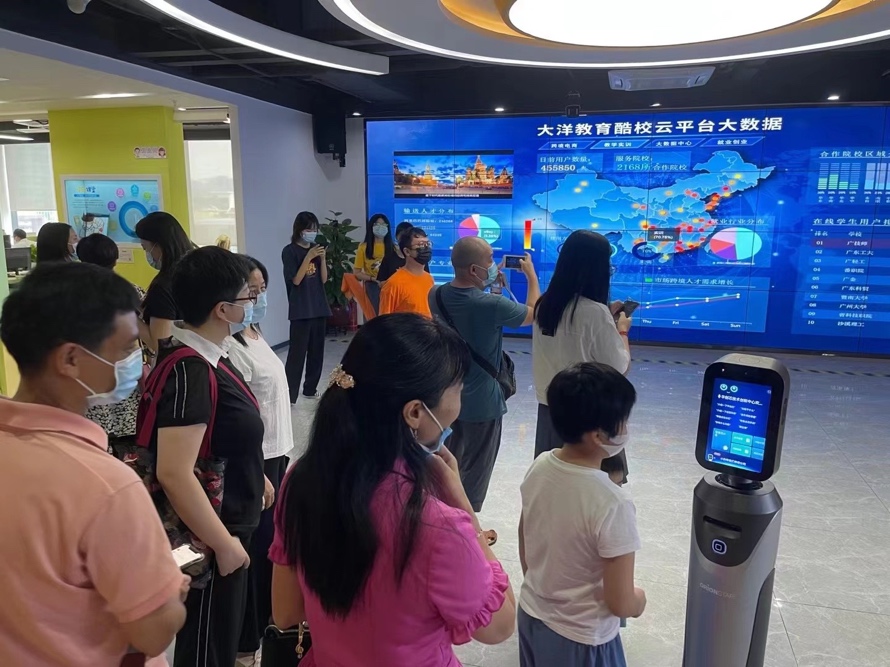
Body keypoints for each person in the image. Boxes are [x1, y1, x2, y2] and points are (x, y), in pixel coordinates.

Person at [270, 314, 516, 666]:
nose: (459, 404)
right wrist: (465, 511)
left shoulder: (301, 478)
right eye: (459, 390)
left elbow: (286, 611)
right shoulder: (439, 524)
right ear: (415, 412)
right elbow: (499, 626)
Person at [0, 262, 188, 665]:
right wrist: (171, 595)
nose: (137, 363)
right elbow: (153, 632)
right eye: (125, 349)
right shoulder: (104, 485)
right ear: (70, 359)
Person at [148, 247, 266, 667]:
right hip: (212, 535)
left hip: (228, 525)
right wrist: (223, 544)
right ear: (222, 309)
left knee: (222, 639)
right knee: (206, 649)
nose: (254, 303)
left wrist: (259, 475)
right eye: (249, 296)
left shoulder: (215, 356)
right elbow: (174, 472)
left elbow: (224, 433)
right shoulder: (191, 370)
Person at [518, 362, 645, 667]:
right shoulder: (612, 503)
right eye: (623, 421)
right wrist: (638, 600)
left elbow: (525, 537)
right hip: (583, 638)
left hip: (531, 615)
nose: (626, 429)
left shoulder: (540, 465)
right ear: (598, 435)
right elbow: (620, 602)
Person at [429, 236, 539, 511]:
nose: (495, 264)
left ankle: (440, 515)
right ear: (474, 270)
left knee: (445, 466)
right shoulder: (491, 306)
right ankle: (468, 524)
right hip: (482, 404)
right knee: (474, 476)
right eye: (490, 260)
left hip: (446, 399)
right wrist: (531, 276)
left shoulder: (436, 295)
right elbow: (532, 314)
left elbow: (468, 307)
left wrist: (488, 286)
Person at [228, 255, 294, 666]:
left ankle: (271, 626)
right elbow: (237, 419)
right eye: (251, 291)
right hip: (258, 461)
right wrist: (258, 471)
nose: (258, 298)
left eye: (262, 289)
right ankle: (247, 643)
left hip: (277, 453)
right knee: (258, 550)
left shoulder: (254, 333)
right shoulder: (230, 347)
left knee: (272, 546)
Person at [532, 231, 632, 479]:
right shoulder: (595, 312)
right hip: (588, 416)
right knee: (597, 485)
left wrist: (605, 317)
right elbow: (618, 368)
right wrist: (621, 331)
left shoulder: (545, 305)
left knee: (554, 479)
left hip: (550, 410)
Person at [77, 233, 147, 445]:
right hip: (126, 371)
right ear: (115, 259)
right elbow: (145, 331)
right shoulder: (132, 291)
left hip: (89, 376)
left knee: (94, 439)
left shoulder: (72, 296)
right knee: (130, 442)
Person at [282, 211, 331, 402]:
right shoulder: (289, 251)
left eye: (315, 229)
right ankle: (289, 395)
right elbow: (296, 280)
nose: (313, 233)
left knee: (317, 353)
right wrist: (308, 257)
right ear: (299, 230)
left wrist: (323, 259)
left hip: (318, 307)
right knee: (297, 354)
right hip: (301, 309)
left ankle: (310, 389)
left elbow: (324, 280)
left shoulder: (316, 250)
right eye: (309, 229)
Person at [136, 211, 194, 354]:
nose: (147, 254)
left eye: (146, 248)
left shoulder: (164, 286)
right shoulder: (199, 272)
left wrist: (128, 317)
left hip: (180, 362)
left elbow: (160, 346)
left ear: (159, 246)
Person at [379, 227, 436, 317]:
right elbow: (383, 320)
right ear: (407, 251)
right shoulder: (393, 284)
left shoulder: (429, 279)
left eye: (428, 244)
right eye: (421, 245)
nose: (426, 248)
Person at [352, 213, 394, 314]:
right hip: (372, 286)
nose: (380, 227)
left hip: (390, 286)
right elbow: (357, 273)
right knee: (372, 315)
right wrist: (372, 278)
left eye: (383, 225)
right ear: (371, 227)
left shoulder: (394, 247)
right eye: (377, 225)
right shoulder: (363, 247)